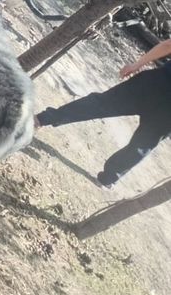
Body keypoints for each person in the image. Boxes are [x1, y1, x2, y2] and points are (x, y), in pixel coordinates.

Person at [35, 38, 171, 188]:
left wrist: (137, 64)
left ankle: (42, 119)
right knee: (142, 144)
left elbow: (167, 45)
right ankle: (108, 178)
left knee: (100, 104)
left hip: (155, 84)